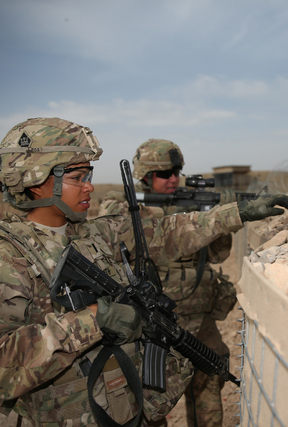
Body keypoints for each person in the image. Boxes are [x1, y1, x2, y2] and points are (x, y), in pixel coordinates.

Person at [0, 118, 288, 427]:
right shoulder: (1, 260)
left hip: (129, 405)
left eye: (88, 175)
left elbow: (171, 231)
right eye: (78, 177)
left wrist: (238, 212)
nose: (90, 186)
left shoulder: (94, 232)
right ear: (35, 180)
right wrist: (94, 320)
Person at [98, 139, 237, 427]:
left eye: (177, 171)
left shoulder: (190, 203)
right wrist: (183, 219)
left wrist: (216, 221)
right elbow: (120, 239)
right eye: (164, 173)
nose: (173, 178)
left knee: (208, 389)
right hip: (152, 324)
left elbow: (218, 254)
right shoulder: (126, 206)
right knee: (150, 399)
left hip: (200, 321)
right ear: (146, 176)